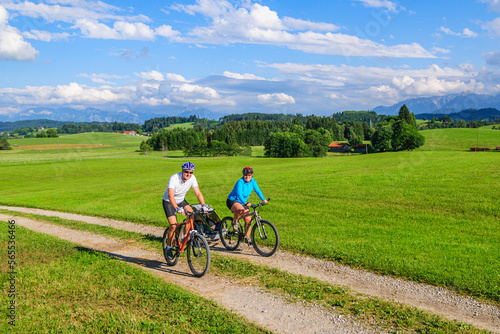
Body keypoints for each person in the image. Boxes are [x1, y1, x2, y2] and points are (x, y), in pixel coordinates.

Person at [163, 162, 209, 259]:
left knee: (191, 213)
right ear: (182, 171)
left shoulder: (192, 178)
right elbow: (170, 196)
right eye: (186, 172)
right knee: (173, 226)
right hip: (169, 202)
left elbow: (198, 193)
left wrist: (203, 205)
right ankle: (169, 247)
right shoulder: (174, 178)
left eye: (191, 172)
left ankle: (184, 236)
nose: (188, 174)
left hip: (181, 200)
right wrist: (176, 208)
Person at [226, 167, 267, 244]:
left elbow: (257, 190)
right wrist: (245, 203)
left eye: (249, 174)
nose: (247, 176)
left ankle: (247, 238)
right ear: (243, 174)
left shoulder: (252, 181)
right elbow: (239, 194)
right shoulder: (240, 182)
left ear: (251, 175)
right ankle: (234, 222)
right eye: (245, 174)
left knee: (248, 220)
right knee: (241, 210)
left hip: (243, 202)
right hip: (232, 200)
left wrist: (263, 199)